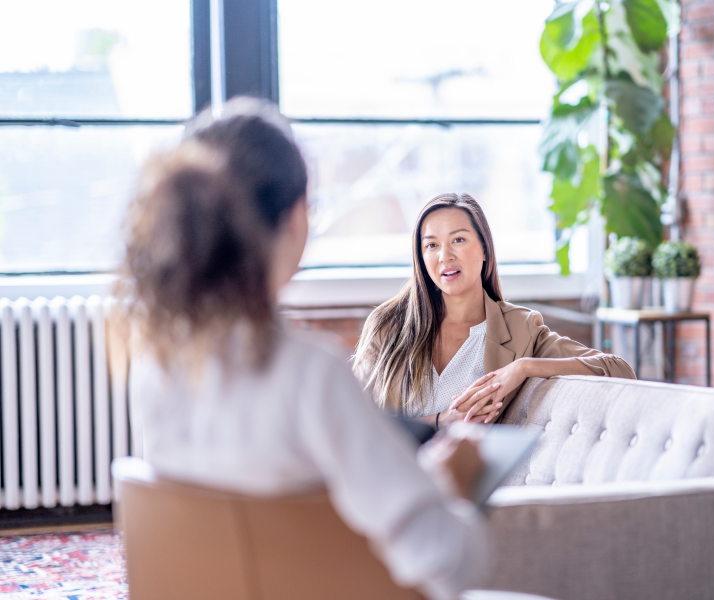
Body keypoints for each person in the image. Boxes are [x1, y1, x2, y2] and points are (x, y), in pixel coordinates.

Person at [118, 99, 486, 600]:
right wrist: (450, 487)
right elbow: (446, 562)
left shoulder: (155, 364)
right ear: (295, 218)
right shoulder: (311, 374)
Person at [353, 193, 636, 428]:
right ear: (421, 257)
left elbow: (619, 370)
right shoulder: (387, 325)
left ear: (485, 249)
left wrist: (524, 367)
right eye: (431, 245)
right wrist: (441, 421)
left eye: (459, 240)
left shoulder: (519, 328)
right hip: (395, 480)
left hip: (474, 486)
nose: (445, 255)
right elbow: (352, 420)